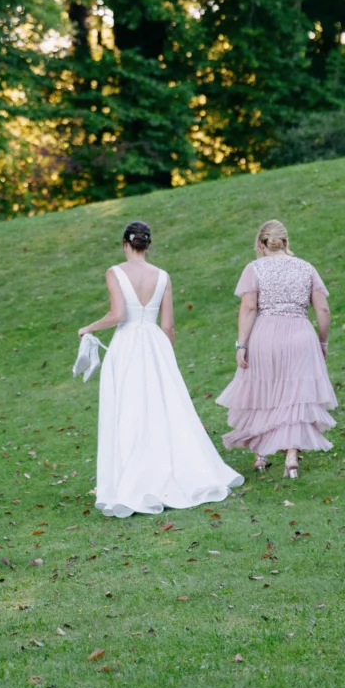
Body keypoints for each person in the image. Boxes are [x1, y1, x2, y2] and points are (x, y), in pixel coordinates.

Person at [77, 221, 244, 517]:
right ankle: (172, 471)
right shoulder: (163, 276)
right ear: (148, 245)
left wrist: (88, 327)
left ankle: (132, 478)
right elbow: (168, 325)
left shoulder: (115, 273)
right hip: (155, 344)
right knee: (163, 409)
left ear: (125, 244)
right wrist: (166, 355)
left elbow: (118, 314)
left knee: (129, 410)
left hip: (127, 346)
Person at [215, 219, 335, 479]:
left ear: (261, 244)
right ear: (286, 242)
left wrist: (241, 344)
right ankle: (291, 456)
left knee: (264, 390)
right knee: (295, 393)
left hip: (265, 335)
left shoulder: (254, 268)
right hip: (300, 334)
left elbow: (248, 308)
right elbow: (323, 309)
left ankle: (261, 455)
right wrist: (322, 341)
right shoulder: (306, 268)